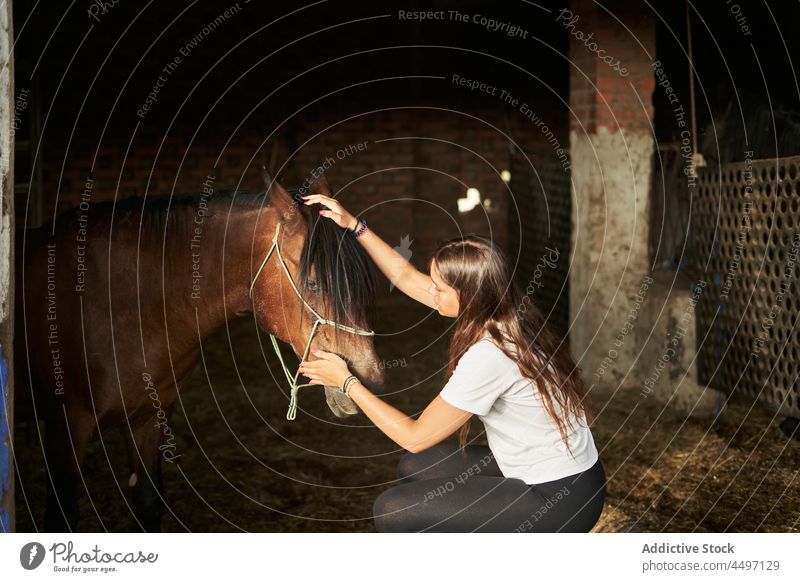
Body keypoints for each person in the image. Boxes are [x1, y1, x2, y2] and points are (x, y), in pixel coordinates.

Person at [296, 192, 606, 533]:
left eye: (440, 288)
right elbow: (410, 280)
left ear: (469, 294)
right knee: (419, 467)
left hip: (560, 497)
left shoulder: (491, 354)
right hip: (553, 471)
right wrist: (354, 225)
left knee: (394, 510)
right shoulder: (506, 313)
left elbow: (415, 436)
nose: (432, 292)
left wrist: (346, 382)